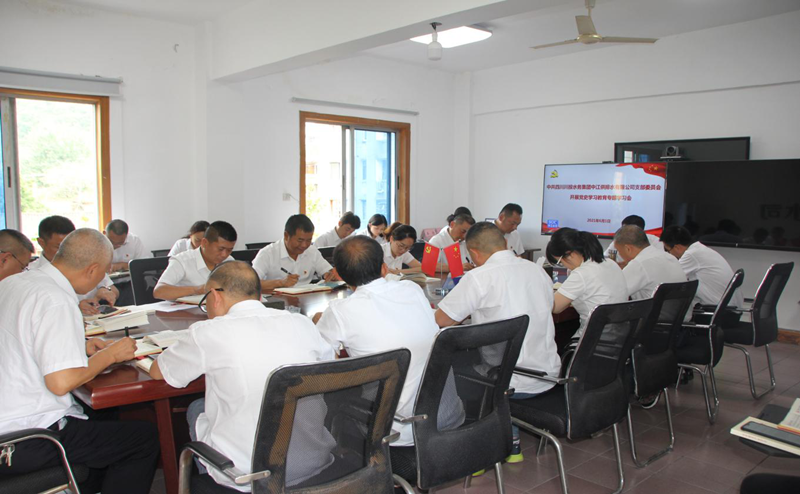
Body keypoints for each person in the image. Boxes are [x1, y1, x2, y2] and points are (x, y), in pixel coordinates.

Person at [150, 261, 335, 490]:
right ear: (258, 296)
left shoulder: (208, 332)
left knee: (197, 408)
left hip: (247, 476)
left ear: (215, 296)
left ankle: (215, 486)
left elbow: (158, 371)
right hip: (313, 462)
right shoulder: (301, 323)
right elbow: (331, 365)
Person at [0, 229, 159, 494]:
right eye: (104, 271)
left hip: (8, 421)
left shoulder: (14, 282)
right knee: (143, 439)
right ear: (92, 269)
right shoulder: (56, 299)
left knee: (105, 420)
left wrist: (81, 348)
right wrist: (109, 355)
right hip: (26, 438)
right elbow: (61, 383)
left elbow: (20, 339)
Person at [312, 236, 464, 463]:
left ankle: (348, 467)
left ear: (340, 276)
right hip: (445, 413)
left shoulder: (339, 311)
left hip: (394, 430)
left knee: (332, 398)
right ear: (384, 268)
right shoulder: (412, 290)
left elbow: (321, 366)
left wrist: (319, 323)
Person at [434, 222, 561, 464]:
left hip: (508, 381)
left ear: (474, 253)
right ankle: (511, 438)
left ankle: (477, 448)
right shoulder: (537, 271)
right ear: (505, 244)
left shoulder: (480, 277)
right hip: (547, 374)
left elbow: (441, 321)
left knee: (452, 367)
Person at [547, 227, 628, 347]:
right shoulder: (610, 263)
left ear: (570, 254)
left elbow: (555, 307)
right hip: (619, 338)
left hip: (592, 342)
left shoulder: (582, 273)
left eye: (560, 262)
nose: (564, 266)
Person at [29, 215, 119, 314]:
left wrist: (105, 290)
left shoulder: (86, 262)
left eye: (69, 245)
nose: (66, 251)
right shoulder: (32, 273)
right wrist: (76, 307)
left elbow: (113, 289)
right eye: (58, 247)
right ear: (41, 242)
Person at [660, 225, 743, 311]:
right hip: (728, 309)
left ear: (677, 247)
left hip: (717, 310)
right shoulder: (700, 249)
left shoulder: (691, 255)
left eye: (668, 250)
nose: (669, 254)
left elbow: (669, 278)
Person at [153, 221, 237, 300]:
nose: (224, 254)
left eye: (229, 250)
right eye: (220, 249)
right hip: (185, 309)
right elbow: (159, 291)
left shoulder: (229, 261)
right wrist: (197, 290)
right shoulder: (183, 261)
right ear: (204, 243)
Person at [252, 214, 337, 292]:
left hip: (307, 299)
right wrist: (280, 283)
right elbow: (251, 283)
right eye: (300, 240)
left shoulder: (312, 251)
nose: (304, 245)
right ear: (286, 236)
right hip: (276, 301)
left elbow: (329, 272)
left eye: (309, 240)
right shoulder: (267, 254)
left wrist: (328, 275)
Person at [613, 225, 686, 300]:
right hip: (676, 307)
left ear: (628, 249)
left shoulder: (639, 264)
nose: (619, 254)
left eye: (618, 251)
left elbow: (613, 293)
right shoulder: (670, 257)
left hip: (652, 307)